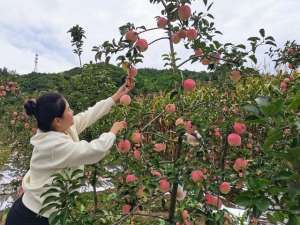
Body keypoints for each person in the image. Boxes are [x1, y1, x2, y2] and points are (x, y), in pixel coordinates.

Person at [5, 81, 133, 225]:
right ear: (58, 121)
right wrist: (113, 132)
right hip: (33, 218)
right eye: (69, 109)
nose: (72, 112)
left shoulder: (59, 128)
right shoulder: (54, 145)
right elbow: (94, 151)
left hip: (39, 211)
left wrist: (117, 96)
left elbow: (88, 115)